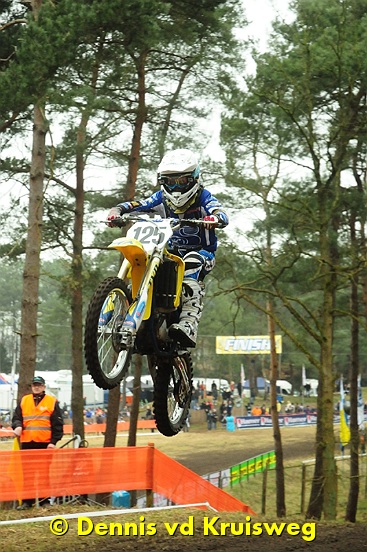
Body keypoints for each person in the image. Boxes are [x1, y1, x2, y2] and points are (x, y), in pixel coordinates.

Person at [107, 148, 229, 348]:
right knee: (145, 264)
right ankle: (133, 316)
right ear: (162, 181)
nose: (175, 186)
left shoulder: (203, 198)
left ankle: (188, 323)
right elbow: (138, 204)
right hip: (169, 253)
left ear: (194, 179)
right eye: (170, 181)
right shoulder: (160, 198)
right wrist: (117, 210)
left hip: (202, 253)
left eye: (181, 181)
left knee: (191, 265)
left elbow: (219, 210)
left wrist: (215, 218)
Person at [12, 375, 64, 509]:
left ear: (44, 387)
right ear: (31, 386)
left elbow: (58, 425)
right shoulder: (24, 400)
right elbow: (16, 417)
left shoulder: (52, 401)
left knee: (44, 474)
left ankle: (44, 501)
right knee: (27, 474)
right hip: (28, 443)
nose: (36, 387)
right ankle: (27, 502)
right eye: (34, 384)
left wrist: (53, 442)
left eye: (39, 385)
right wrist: (17, 426)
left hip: (45, 444)